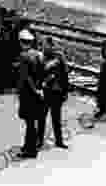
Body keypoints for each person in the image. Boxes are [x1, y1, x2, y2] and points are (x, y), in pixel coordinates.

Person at [16, 29, 44, 159]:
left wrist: (33, 90)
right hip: (37, 93)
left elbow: (26, 78)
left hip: (28, 94)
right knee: (33, 121)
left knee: (29, 123)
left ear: (22, 43)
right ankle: (30, 146)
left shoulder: (23, 56)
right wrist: (39, 89)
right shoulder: (39, 55)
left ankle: (30, 149)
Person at [37, 37, 69, 149]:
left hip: (57, 91)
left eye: (45, 45)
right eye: (43, 45)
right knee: (41, 118)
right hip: (45, 91)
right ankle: (39, 141)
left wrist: (65, 91)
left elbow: (65, 74)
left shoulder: (59, 56)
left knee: (57, 118)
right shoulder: (40, 56)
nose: (43, 47)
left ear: (51, 45)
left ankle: (59, 141)